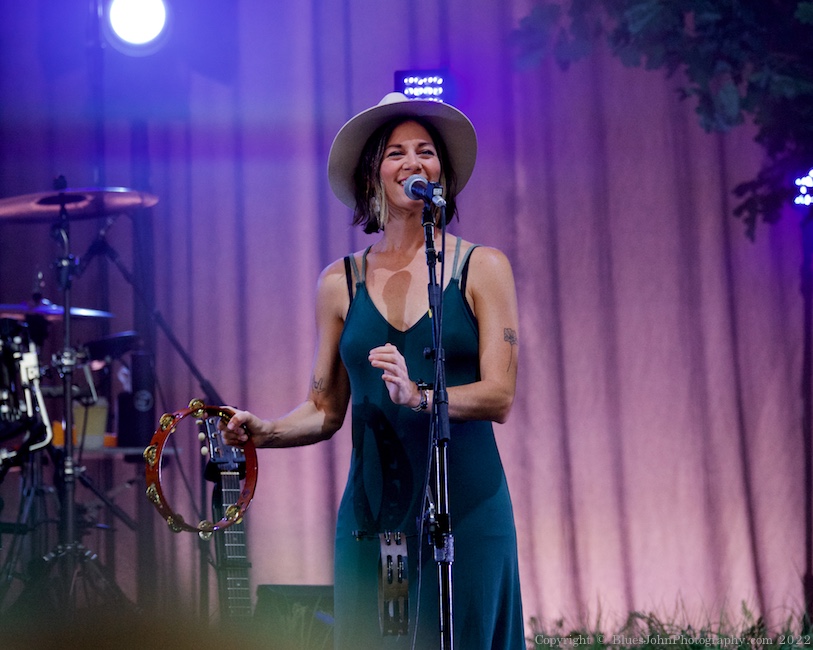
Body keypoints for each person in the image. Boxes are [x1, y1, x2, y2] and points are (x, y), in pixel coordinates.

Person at [223, 92, 524, 649]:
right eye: (396, 153)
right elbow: (324, 408)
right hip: (373, 511)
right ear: (372, 175)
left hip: (468, 507)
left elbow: (499, 395)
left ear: (442, 173)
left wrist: (421, 395)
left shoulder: (482, 267)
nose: (413, 162)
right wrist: (266, 432)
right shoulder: (340, 281)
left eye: (426, 151)